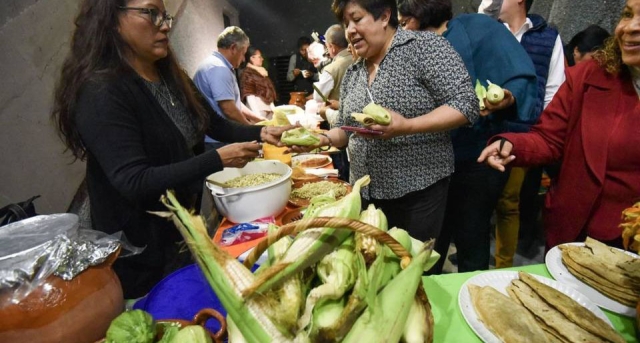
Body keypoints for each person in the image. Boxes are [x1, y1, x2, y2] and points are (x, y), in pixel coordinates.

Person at [51, 0, 289, 298]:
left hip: (176, 227)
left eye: (165, 15)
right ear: (112, 19)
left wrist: (263, 131)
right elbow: (135, 181)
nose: (164, 25)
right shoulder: (101, 91)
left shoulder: (167, 74)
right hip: (136, 243)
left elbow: (212, 123)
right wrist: (215, 159)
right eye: (151, 14)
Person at [289, 0, 479, 245]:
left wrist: (407, 126)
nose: (350, 31)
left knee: (411, 267)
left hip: (418, 192)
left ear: (384, 16)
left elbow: (466, 104)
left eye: (357, 19)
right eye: (346, 24)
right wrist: (320, 139)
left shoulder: (424, 47)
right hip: (366, 195)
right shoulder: (354, 72)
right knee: (372, 265)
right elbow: (346, 130)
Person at [478, 0, 640, 251]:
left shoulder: (547, 37)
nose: (630, 27)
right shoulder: (589, 77)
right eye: (628, 14)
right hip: (573, 232)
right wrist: (510, 142)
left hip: (627, 244)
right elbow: (551, 137)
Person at [397, 0, 538, 272]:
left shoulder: (478, 28)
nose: (403, 27)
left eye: (405, 20)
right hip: (426, 163)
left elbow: (518, 76)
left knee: (471, 237)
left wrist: (506, 97)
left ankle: (474, 297)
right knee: (427, 244)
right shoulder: (406, 45)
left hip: (475, 157)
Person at [487, 0, 566, 268]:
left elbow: (555, 90)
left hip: (523, 133)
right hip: (485, 128)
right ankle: (472, 256)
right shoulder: (490, 29)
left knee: (509, 203)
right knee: (478, 198)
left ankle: (503, 265)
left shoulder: (547, 37)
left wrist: (539, 130)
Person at [194, 26, 263, 131]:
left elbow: (235, 103)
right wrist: (252, 130)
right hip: (217, 138)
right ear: (233, 48)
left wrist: (259, 119)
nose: (244, 59)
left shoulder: (219, 65)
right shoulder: (219, 68)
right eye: (243, 53)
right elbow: (229, 110)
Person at [240, 46, 278, 119]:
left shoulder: (262, 72)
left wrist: (273, 109)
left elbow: (269, 93)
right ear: (252, 58)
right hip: (258, 111)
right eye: (259, 57)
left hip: (268, 111)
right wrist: (257, 115)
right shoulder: (248, 73)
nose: (262, 59)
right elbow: (249, 95)